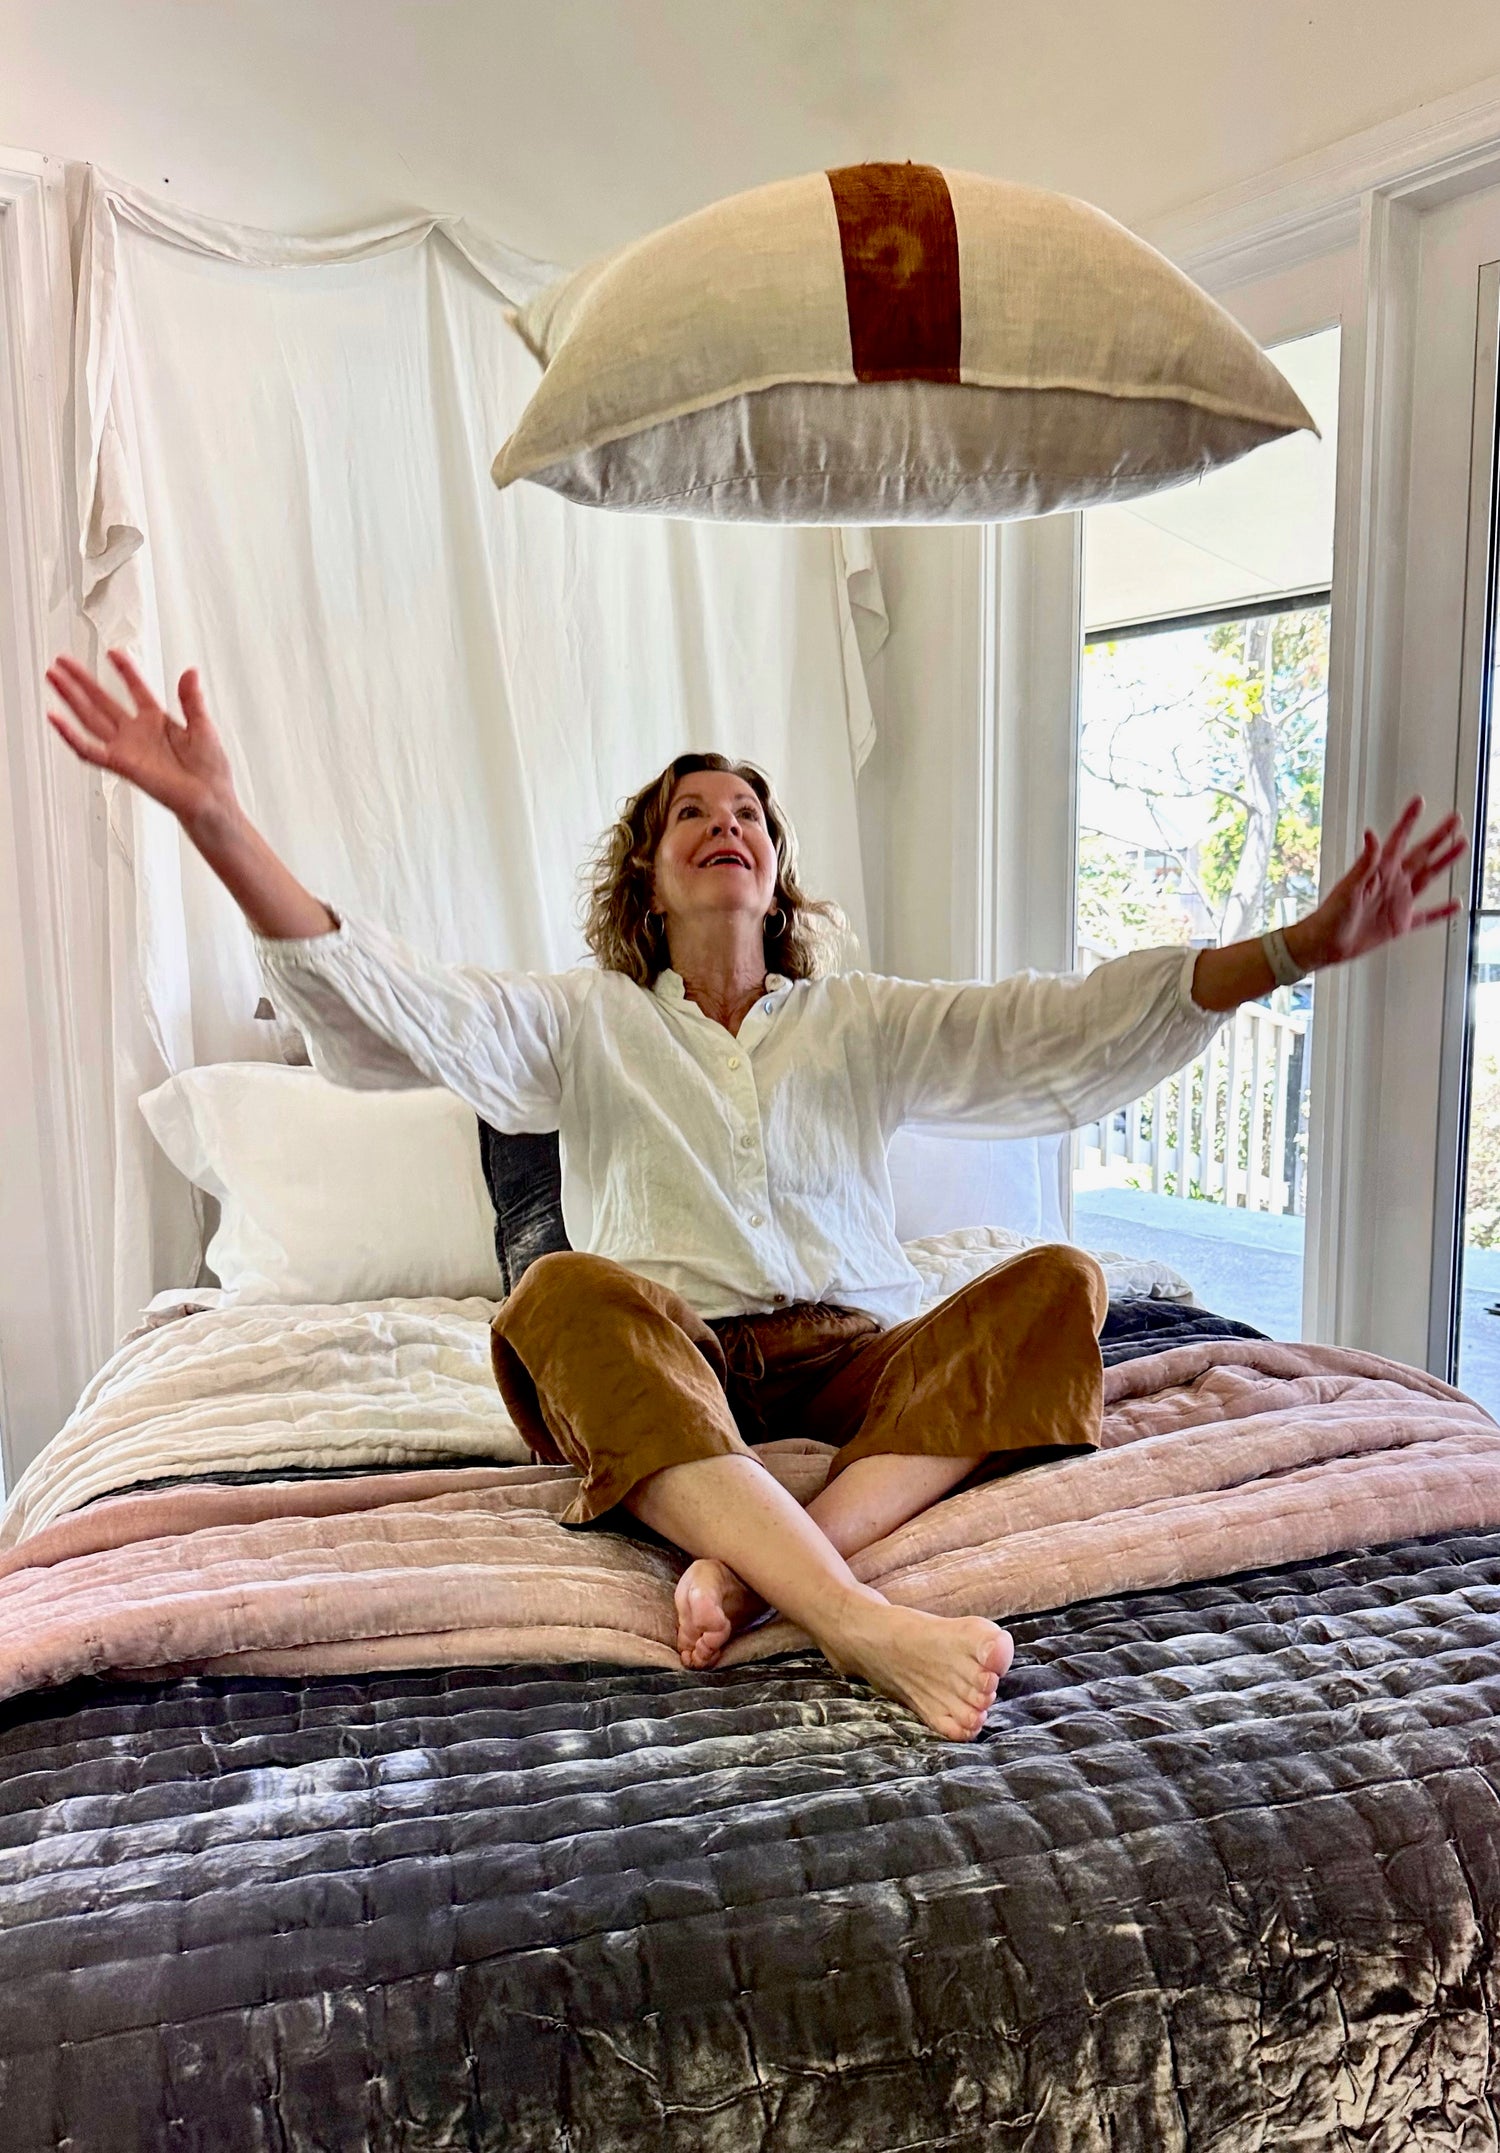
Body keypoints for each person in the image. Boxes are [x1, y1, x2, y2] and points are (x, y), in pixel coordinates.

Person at [46, 649, 1468, 1741]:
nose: (724, 824)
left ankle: (753, 1568)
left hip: (856, 1359)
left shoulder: (858, 1019)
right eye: (692, 814)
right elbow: (392, 1004)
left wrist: (1293, 948)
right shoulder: (585, 1020)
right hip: (682, 1369)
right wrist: (217, 818)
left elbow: (1055, 1028)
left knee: (1061, 1284)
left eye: (747, 815)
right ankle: (856, 1617)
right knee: (556, 1294)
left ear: (776, 869)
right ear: (650, 874)